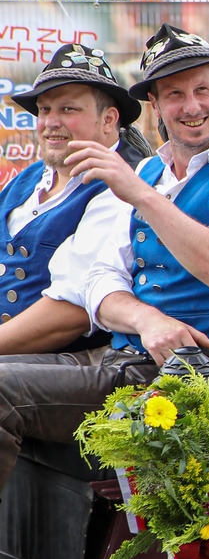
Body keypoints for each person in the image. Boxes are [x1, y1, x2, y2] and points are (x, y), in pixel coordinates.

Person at [0, 24, 209, 492]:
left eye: (202, 90)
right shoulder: (149, 171)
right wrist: (145, 319)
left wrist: (141, 194)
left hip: (191, 377)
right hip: (123, 356)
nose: (191, 107)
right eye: (174, 94)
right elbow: (98, 281)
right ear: (156, 105)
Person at [0, 43, 150, 352]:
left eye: (68, 109)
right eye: (44, 110)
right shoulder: (27, 180)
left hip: (65, 367)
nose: (51, 122)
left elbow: (73, 309)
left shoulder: (123, 186)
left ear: (109, 120)